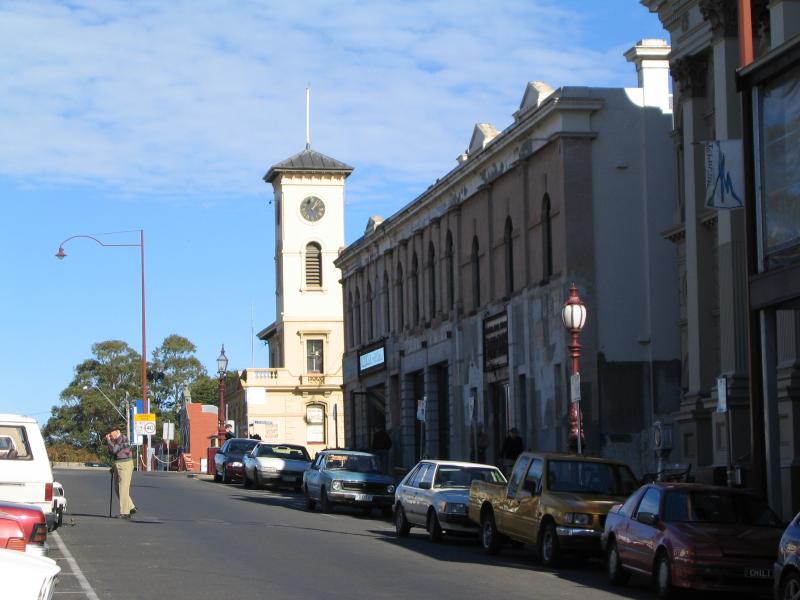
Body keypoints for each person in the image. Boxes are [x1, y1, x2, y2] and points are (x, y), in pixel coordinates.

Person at [105, 425, 136, 520]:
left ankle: (124, 512)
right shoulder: (116, 441)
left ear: (116, 431)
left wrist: (109, 441)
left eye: (111, 433)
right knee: (117, 488)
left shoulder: (123, 438)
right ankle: (131, 507)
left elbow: (114, 450)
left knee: (123, 488)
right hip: (118, 464)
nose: (110, 435)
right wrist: (113, 467)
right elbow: (113, 454)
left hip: (125, 464)